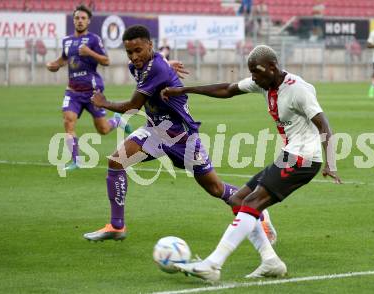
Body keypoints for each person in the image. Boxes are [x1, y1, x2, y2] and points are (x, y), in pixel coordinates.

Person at [84, 25, 277, 247]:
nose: (134, 57)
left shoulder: (155, 69)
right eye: (129, 52)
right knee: (116, 161)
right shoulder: (142, 66)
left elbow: (132, 106)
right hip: (155, 130)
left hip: (181, 137)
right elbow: (156, 67)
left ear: (150, 45)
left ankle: (259, 213)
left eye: (138, 50)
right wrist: (166, 65)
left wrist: (103, 103)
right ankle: (117, 226)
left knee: (216, 188)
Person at [161, 45, 341, 281]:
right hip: (290, 155)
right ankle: (270, 261)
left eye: (257, 73)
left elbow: (323, 123)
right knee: (238, 199)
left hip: (305, 158)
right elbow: (227, 89)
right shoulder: (263, 82)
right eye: (252, 74)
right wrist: (183, 90)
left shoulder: (298, 89)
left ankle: (213, 264)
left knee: (253, 203)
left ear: (273, 67)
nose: (254, 79)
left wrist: (331, 162)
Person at [46, 5, 132, 171]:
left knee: (103, 129)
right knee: (68, 122)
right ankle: (75, 161)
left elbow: (106, 61)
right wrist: (53, 65)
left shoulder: (93, 40)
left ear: (88, 21)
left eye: (83, 18)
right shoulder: (67, 41)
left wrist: (89, 52)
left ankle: (117, 120)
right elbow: (63, 59)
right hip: (72, 91)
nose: (80, 21)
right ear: (74, 20)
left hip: (92, 92)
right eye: (77, 18)